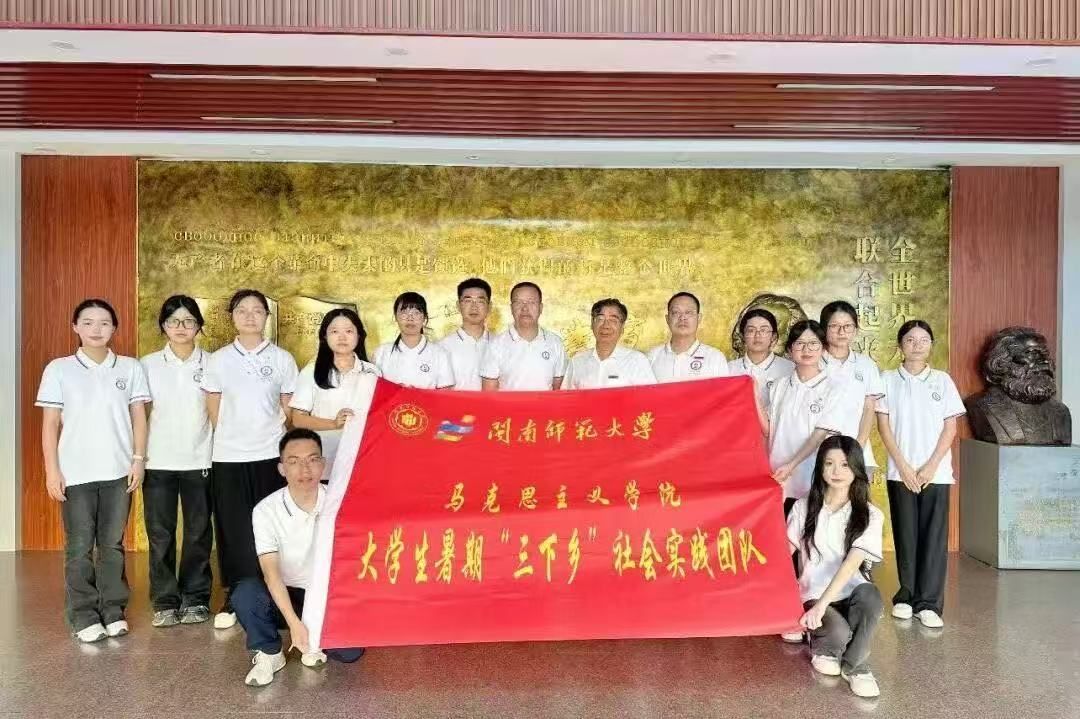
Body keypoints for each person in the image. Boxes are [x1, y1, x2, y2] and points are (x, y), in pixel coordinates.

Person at [37, 299, 150, 642]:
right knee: (80, 546)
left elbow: (139, 417)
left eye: (104, 323)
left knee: (112, 545)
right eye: (87, 322)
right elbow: (50, 424)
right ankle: (84, 615)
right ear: (75, 327)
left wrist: (138, 459)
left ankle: (113, 610)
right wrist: (52, 470)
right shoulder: (59, 369)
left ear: (114, 328)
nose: (96, 329)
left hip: (118, 471)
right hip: (75, 473)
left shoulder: (129, 367)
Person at [235, 428, 365, 687]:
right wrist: (294, 623)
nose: (305, 469)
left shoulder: (340, 502)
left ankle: (314, 641)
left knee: (350, 653)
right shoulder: (266, 510)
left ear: (323, 464)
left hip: (327, 595)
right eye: (294, 462)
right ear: (282, 468)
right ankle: (270, 653)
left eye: (312, 460)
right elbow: (271, 573)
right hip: (285, 594)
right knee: (246, 593)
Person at [202, 289, 299, 630]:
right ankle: (236, 595)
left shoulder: (282, 359)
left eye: (257, 310)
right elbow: (213, 407)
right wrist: (233, 436)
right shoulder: (218, 360)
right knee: (234, 528)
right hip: (228, 456)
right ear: (232, 317)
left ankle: (274, 593)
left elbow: (288, 408)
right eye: (242, 310)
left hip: (270, 454)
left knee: (272, 526)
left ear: (266, 317)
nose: (250, 316)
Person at [876, 320, 965, 629]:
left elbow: (950, 428)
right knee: (906, 534)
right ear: (900, 345)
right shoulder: (887, 380)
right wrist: (903, 466)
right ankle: (906, 596)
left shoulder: (942, 380)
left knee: (933, 538)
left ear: (931, 345)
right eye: (910, 340)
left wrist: (929, 467)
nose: (917, 345)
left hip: (935, 473)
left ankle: (928, 603)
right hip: (900, 471)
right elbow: (884, 426)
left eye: (923, 340)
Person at [787, 435, 884, 699]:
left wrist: (822, 607)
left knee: (871, 597)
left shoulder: (871, 514)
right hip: (813, 593)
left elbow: (852, 563)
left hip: (848, 592)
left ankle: (856, 667)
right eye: (829, 463)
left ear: (856, 468)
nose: (836, 471)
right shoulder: (803, 507)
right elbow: (784, 553)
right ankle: (825, 645)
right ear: (820, 467)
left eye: (844, 464)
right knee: (838, 632)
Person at [140, 295, 213, 628]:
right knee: (160, 534)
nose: (181, 327)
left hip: (201, 458)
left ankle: (196, 598)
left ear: (198, 325)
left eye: (188, 321)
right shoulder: (147, 365)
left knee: (198, 532)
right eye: (173, 321)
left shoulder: (212, 363)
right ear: (163, 326)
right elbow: (139, 415)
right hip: (158, 460)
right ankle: (165, 601)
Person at [767, 320, 865, 506]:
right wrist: (753, 394)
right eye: (800, 344)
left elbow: (820, 434)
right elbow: (768, 429)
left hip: (811, 475)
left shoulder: (834, 388)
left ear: (823, 349)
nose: (807, 349)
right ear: (789, 350)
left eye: (813, 343)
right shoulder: (779, 385)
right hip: (777, 474)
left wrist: (791, 465)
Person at [290, 309, 380, 484]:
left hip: (362, 460)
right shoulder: (312, 371)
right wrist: (333, 423)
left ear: (359, 335)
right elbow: (298, 419)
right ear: (324, 336)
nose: (342, 337)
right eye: (334, 331)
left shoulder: (372, 371)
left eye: (349, 331)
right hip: (325, 461)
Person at [819, 301, 884, 473]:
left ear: (855, 330)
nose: (841, 332)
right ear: (824, 329)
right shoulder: (813, 362)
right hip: (818, 453)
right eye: (834, 326)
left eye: (847, 326)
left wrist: (857, 447)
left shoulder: (866, 364)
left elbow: (869, 409)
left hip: (858, 453)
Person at [480, 281, 567, 391]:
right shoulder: (496, 345)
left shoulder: (555, 343)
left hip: (545, 403)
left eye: (531, 302)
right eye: (518, 302)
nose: (525, 308)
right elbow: (489, 393)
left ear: (541, 308)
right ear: (511, 308)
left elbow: (558, 390)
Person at [563, 299, 655, 389]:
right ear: (592, 324)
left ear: (622, 327)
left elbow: (650, 397)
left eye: (613, 320)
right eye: (600, 319)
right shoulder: (577, 361)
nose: (606, 325)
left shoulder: (637, 361)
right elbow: (567, 397)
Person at [372, 292, 455, 389]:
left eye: (416, 313)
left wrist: (416, 394)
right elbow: (374, 390)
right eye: (404, 312)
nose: (410, 318)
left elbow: (445, 393)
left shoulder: (440, 354)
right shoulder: (381, 353)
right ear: (395, 317)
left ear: (424, 318)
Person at [647, 292, 728, 382]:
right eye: (676, 312)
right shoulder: (652, 357)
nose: (682, 318)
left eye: (688, 312)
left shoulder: (715, 358)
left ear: (699, 318)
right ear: (667, 319)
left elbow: (724, 390)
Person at [728, 307, 795, 407]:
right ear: (743, 336)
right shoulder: (729, 369)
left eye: (764, 330)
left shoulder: (789, 369)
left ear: (773, 337)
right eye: (751, 330)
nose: (757, 335)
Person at [438, 278, 493, 391]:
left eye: (480, 301)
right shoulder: (442, 347)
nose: (474, 307)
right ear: (458, 305)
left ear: (489, 306)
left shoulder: (500, 344)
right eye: (468, 301)